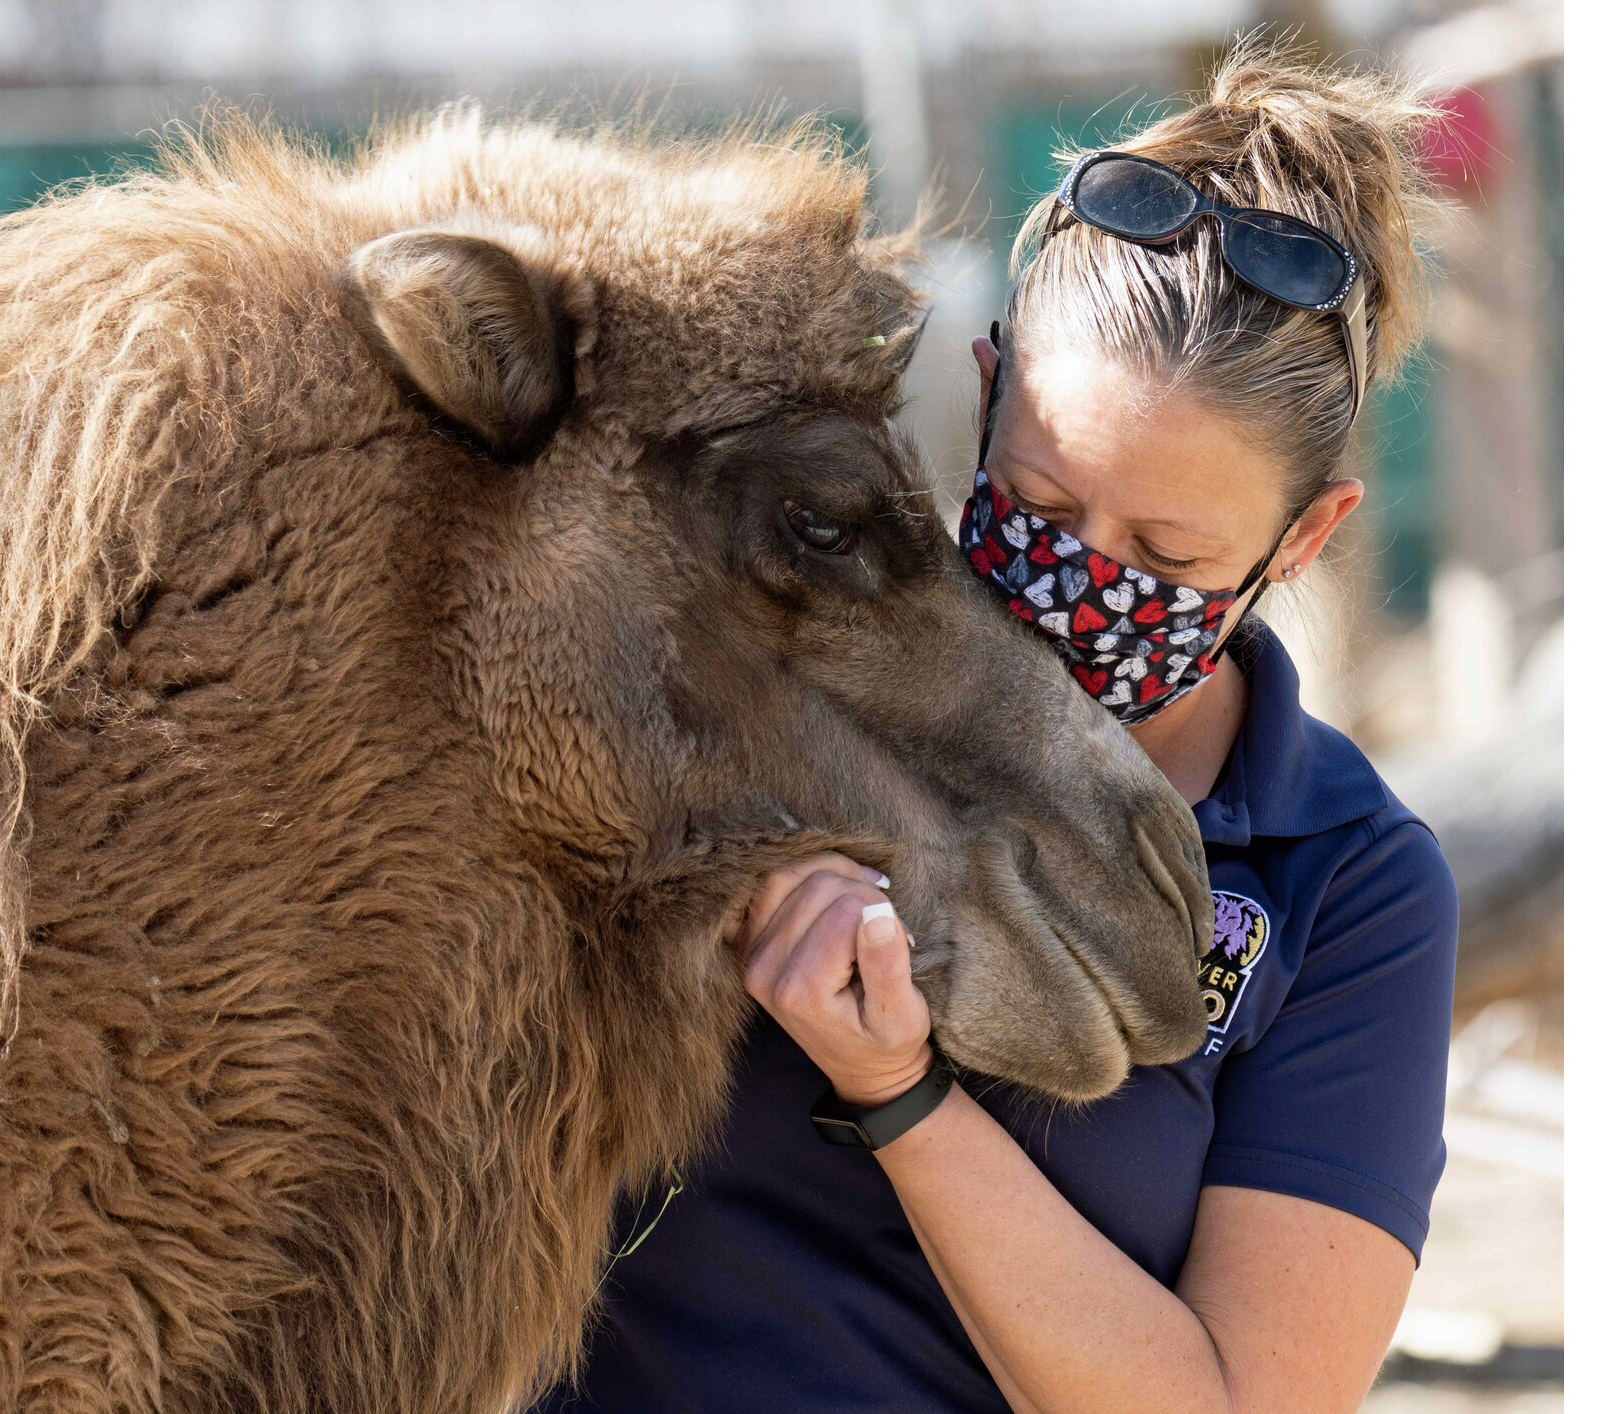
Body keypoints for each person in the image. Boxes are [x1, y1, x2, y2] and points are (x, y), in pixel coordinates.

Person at [532, 45, 1460, 1414]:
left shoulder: (1352, 886)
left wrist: (902, 1096)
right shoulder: (776, 684)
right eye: (1039, 497)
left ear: (1305, 535)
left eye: (1165, 549)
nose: (1081, 571)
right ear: (987, 384)